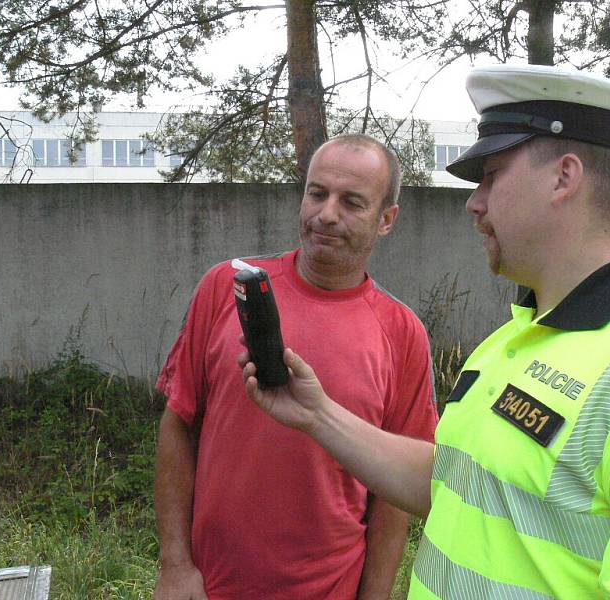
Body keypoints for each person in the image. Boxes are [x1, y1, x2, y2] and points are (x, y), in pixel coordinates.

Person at [240, 64, 610, 598]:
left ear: (563, 177)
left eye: (492, 176)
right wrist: (318, 415)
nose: (474, 202)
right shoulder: (512, 340)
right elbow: (453, 481)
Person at [153, 133, 438, 600]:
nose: (327, 215)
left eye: (351, 202)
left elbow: (394, 496)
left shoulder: (401, 333)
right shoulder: (226, 288)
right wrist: (176, 566)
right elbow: (179, 424)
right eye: (317, 193)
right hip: (210, 586)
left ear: (386, 220)